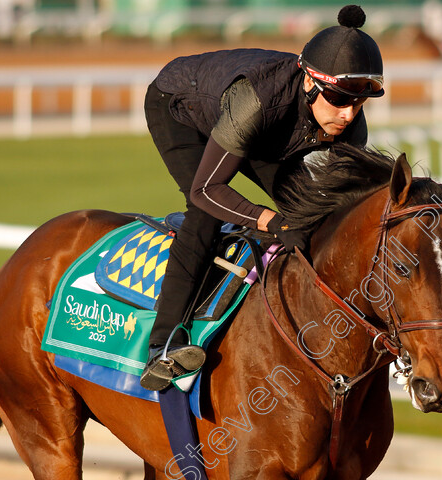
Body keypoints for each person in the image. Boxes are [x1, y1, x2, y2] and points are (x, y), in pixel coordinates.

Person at [140, 4, 385, 391]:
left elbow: (336, 206)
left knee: (307, 211)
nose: (349, 115)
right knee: (204, 212)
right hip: (181, 108)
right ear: (310, 83)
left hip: (258, 127)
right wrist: (269, 221)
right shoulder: (259, 100)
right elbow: (208, 189)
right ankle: (164, 344)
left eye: (358, 103)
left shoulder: (348, 121)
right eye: (339, 100)